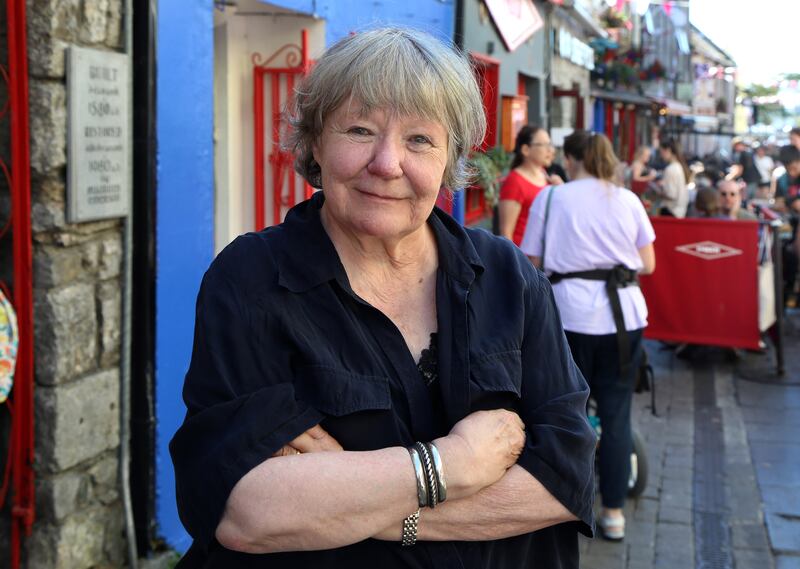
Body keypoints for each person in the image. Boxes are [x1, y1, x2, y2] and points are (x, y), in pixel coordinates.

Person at [169, 28, 595, 569]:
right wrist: (451, 464)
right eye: (359, 129)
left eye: (420, 140)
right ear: (316, 143)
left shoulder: (508, 276)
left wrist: (356, 505)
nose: (387, 162)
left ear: (450, 159)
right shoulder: (252, 280)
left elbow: (564, 483)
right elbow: (245, 511)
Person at [520, 130, 656, 543]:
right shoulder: (626, 199)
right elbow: (646, 263)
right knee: (616, 417)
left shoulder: (553, 197)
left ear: (571, 158)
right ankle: (613, 512)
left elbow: (531, 259)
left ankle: (561, 505)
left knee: (562, 413)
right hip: (622, 320)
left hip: (568, 317)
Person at [498, 125, 563, 246]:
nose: (551, 150)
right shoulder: (514, 181)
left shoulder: (546, 177)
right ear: (526, 150)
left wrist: (561, 190)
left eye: (550, 145)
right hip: (524, 257)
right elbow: (506, 232)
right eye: (544, 145)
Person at [657, 138, 690, 218]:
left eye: (661, 152)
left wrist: (659, 192)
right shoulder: (679, 166)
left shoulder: (670, 169)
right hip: (680, 211)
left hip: (671, 211)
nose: (661, 155)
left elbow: (671, 194)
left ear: (668, 150)